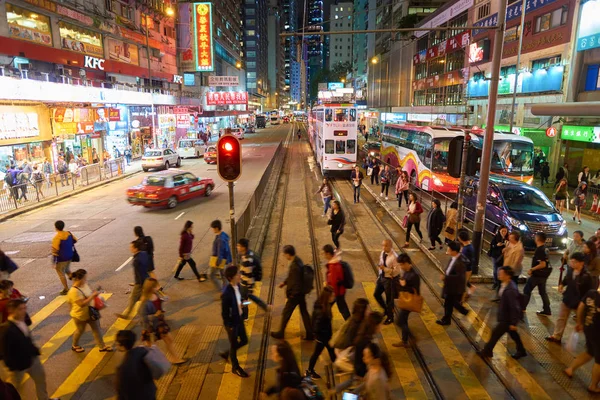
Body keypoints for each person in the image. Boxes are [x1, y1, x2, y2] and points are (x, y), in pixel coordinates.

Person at [0, 299, 56, 400]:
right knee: (15, 388)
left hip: (33, 360)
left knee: (41, 380)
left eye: (25, 308)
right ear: (12, 310)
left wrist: (34, 351)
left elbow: (27, 338)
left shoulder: (23, 319)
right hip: (18, 366)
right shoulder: (6, 329)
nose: (24, 311)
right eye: (20, 309)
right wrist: (12, 367)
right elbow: (5, 351)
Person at [477, 267, 527, 359]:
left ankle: (487, 351)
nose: (499, 275)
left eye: (501, 274)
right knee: (513, 334)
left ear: (507, 276)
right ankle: (521, 350)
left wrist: (513, 322)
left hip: (507, 318)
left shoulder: (510, 289)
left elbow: (514, 307)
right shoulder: (504, 284)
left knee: (495, 334)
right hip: (506, 316)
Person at [546, 252, 594, 344]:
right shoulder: (571, 270)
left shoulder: (587, 276)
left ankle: (591, 340)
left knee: (584, 323)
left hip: (579, 303)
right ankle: (556, 336)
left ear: (581, 263)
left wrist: (584, 304)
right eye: (571, 261)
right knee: (561, 318)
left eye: (574, 262)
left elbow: (590, 292)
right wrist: (562, 284)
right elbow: (567, 279)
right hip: (568, 298)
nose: (572, 263)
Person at [333, 312, 385, 395]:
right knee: (361, 388)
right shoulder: (367, 341)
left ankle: (335, 390)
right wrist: (363, 373)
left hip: (358, 367)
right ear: (375, 326)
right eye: (380, 325)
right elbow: (363, 357)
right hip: (362, 370)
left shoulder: (364, 333)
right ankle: (341, 394)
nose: (381, 327)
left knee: (353, 382)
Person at [271, 245, 314, 340]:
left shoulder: (295, 266)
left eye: (285, 254)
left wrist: (292, 295)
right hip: (300, 293)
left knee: (286, 312)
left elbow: (296, 282)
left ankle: (281, 333)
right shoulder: (298, 260)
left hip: (295, 295)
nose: (284, 256)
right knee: (304, 312)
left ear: (288, 254)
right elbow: (294, 277)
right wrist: (285, 282)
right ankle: (310, 333)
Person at [139, 278, 185, 364]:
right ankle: (148, 363)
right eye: (155, 286)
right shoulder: (145, 301)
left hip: (159, 323)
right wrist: (154, 316)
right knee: (150, 346)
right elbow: (143, 317)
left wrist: (163, 302)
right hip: (151, 326)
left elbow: (159, 304)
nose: (158, 287)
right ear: (151, 288)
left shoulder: (155, 294)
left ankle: (175, 358)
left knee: (168, 340)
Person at [67, 269, 112, 353]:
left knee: (96, 329)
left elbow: (89, 294)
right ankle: (75, 345)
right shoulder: (73, 291)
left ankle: (102, 346)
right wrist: (92, 296)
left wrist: (95, 294)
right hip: (80, 315)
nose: (86, 280)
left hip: (90, 312)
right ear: (79, 279)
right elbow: (81, 304)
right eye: (85, 278)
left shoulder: (84, 285)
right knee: (80, 330)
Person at [218, 266, 250, 377]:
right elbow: (224, 313)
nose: (240, 275)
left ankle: (227, 353)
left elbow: (238, 300)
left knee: (244, 340)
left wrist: (241, 303)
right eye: (237, 274)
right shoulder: (227, 293)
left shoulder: (238, 286)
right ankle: (235, 367)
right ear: (231, 278)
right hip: (232, 323)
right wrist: (229, 325)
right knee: (234, 343)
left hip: (239, 318)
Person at [115, 330, 157, 399]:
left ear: (122, 345)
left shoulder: (123, 369)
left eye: (117, 343)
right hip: (150, 393)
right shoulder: (142, 351)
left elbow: (121, 392)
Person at [306, 286, 336, 379]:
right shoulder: (321, 312)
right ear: (328, 297)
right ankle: (310, 371)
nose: (333, 298)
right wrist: (321, 336)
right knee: (316, 353)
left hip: (326, 335)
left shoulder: (324, 304)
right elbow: (316, 327)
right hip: (322, 337)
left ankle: (337, 364)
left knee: (331, 349)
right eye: (332, 296)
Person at [437, 241, 469, 326]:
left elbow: (459, 277)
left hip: (454, 288)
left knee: (449, 303)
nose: (447, 249)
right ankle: (448, 319)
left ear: (454, 251)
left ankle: (460, 312)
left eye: (449, 249)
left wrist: (446, 277)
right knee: (449, 303)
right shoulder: (454, 257)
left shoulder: (460, 263)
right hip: (450, 286)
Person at [392, 253, 421, 348]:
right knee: (403, 321)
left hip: (409, 301)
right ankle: (404, 341)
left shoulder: (414, 275)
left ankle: (412, 337)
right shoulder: (406, 272)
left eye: (401, 264)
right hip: (405, 299)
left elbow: (415, 290)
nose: (401, 266)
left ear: (406, 263)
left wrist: (404, 285)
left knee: (399, 321)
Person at [237, 238, 269, 320]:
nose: (238, 247)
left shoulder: (247, 260)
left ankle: (245, 316)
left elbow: (247, 274)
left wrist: (247, 286)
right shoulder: (249, 253)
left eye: (239, 246)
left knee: (244, 300)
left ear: (243, 247)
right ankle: (264, 306)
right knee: (247, 298)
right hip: (248, 283)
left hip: (246, 284)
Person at [522, 232, 552, 316]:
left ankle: (522, 308)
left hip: (537, 275)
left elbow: (543, 264)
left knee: (527, 290)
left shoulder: (540, 249)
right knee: (542, 292)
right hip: (544, 275)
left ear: (537, 239)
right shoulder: (545, 248)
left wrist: (532, 269)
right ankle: (547, 310)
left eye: (535, 237)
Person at [118, 240, 149, 319]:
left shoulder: (136, 261)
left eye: (131, 247)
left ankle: (127, 315)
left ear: (136, 249)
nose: (130, 248)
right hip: (146, 278)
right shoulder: (144, 253)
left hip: (140, 282)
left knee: (133, 298)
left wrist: (139, 284)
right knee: (142, 297)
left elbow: (139, 273)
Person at [374, 239, 400, 325]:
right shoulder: (383, 252)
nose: (383, 247)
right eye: (383, 245)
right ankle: (385, 309)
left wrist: (385, 269)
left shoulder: (395, 257)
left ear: (391, 246)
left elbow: (397, 271)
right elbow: (381, 263)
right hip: (382, 278)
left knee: (389, 300)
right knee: (376, 294)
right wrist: (379, 275)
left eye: (385, 246)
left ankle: (390, 317)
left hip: (390, 280)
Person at [322, 244, 350, 320]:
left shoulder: (333, 266)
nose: (324, 256)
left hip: (336, 292)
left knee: (329, 307)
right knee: (342, 308)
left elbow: (333, 282)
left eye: (324, 253)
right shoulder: (336, 261)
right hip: (339, 291)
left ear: (328, 254)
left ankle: (350, 324)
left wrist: (331, 294)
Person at [202, 220, 232, 288]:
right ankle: (225, 289)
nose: (212, 230)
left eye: (213, 228)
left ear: (216, 228)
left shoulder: (220, 239)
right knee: (224, 276)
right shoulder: (223, 235)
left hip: (219, 260)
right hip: (225, 259)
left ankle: (221, 289)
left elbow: (220, 252)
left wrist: (217, 263)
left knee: (212, 275)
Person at [51, 220, 77, 295]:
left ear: (56, 227)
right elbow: (75, 240)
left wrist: (54, 262)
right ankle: (77, 282)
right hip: (70, 255)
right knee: (67, 270)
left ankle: (66, 289)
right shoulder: (68, 233)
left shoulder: (57, 238)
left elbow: (54, 250)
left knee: (61, 273)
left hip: (61, 258)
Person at [134, 226, 162, 292]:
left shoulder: (138, 242)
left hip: (144, 260)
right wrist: (152, 254)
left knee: (149, 273)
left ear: (136, 233)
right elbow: (152, 247)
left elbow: (138, 253)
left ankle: (157, 286)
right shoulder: (148, 238)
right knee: (150, 272)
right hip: (149, 257)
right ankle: (152, 286)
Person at [489, 225, 509, 290]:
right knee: (495, 270)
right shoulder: (496, 237)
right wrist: (496, 245)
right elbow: (492, 246)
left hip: (503, 256)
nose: (504, 232)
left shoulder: (508, 238)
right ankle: (496, 283)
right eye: (502, 231)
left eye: (505, 231)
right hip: (495, 255)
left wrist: (506, 245)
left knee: (500, 270)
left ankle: (499, 283)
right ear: (499, 231)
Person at [458, 230, 476, 297]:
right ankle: (471, 288)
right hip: (467, 268)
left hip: (466, 269)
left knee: (462, 284)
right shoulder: (468, 246)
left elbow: (467, 260)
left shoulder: (467, 249)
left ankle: (462, 298)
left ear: (461, 238)